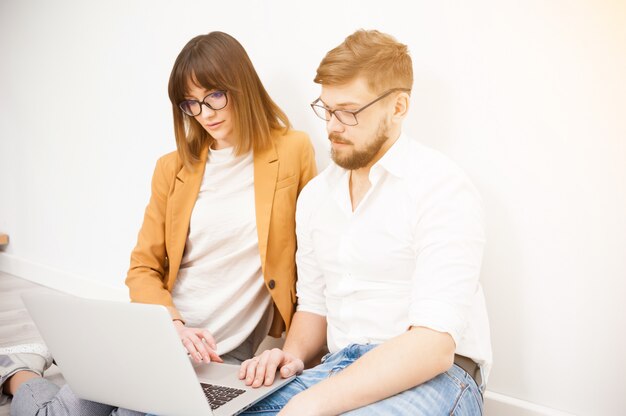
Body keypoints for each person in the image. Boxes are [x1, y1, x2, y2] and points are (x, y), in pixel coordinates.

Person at [0, 31, 316, 415]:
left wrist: (298, 349)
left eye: (215, 95)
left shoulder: (292, 151)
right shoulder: (173, 168)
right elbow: (143, 269)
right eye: (191, 104)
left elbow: (311, 259)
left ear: (242, 85)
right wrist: (175, 326)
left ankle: (45, 360)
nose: (206, 114)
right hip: (157, 335)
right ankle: (16, 370)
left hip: (224, 353)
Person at [239, 29, 492, 415]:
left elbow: (433, 347)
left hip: (437, 376)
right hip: (337, 368)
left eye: (349, 111)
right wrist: (290, 358)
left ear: (399, 107)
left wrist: (310, 403)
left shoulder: (441, 185)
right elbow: (315, 307)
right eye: (326, 108)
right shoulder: (316, 196)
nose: (332, 125)